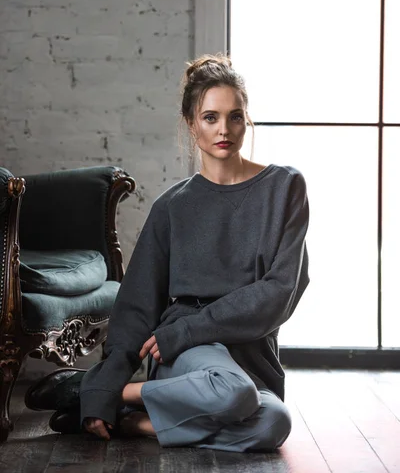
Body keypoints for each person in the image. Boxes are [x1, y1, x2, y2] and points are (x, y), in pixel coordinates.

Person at [25, 54, 309, 452]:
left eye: (235, 116)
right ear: (192, 124)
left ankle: (135, 418)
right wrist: (117, 371)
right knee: (234, 394)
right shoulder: (172, 206)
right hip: (184, 348)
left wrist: (112, 391)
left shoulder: (285, 187)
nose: (224, 129)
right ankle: (106, 388)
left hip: (248, 351)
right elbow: (137, 304)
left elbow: (280, 291)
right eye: (210, 117)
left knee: (274, 422)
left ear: (247, 119)